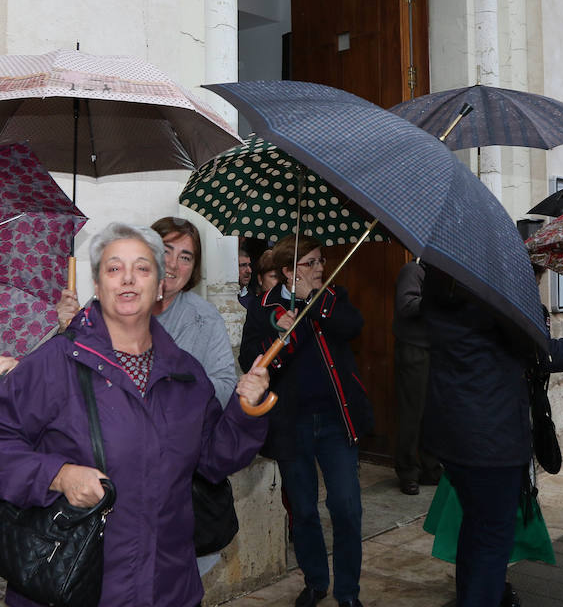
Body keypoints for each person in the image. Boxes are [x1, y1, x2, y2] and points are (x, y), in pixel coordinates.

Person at [0, 223, 270, 607]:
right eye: (114, 268)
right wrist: (57, 476)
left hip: (168, 586)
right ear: (98, 282)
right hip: (75, 586)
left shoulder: (186, 374)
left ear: (160, 284)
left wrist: (247, 409)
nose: (128, 278)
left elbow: (213, 460)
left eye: (143, 267)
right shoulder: (54, 364)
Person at [422, 264, 563, 607]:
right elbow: (543, 353)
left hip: (452, 432)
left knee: (475, 530)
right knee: (491, 540)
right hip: (491, 439)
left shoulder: (443, 284)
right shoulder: (493, 299)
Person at [239, 235, 372, 607]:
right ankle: (315, 581)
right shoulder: (263, 306)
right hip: (291, 423)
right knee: (304, 510)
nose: (319, 268)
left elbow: (353, 326)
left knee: (347, 507)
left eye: (320, 261)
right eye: (309, 262)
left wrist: (314, 303)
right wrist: (282, 337)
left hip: (335, 419)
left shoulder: (332, 297)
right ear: (287, 271)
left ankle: (348, 593)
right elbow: (250, 357)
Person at [58, 216, 237, 409]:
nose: (173, 264)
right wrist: (66, 330)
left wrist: (174, 390)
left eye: (185, 257)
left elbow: (226, 387)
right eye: (166, 252)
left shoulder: (205, 318)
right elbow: (68, 374)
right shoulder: (108, 302)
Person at [392, 258, 442, 495]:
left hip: (436, 349)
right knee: (412, 414)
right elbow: (406, 305)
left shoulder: (441, 273)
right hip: (414, 350)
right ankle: (408, 472)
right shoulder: (413, 270)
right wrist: (436, 299)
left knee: (433, 414)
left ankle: (431, 469)